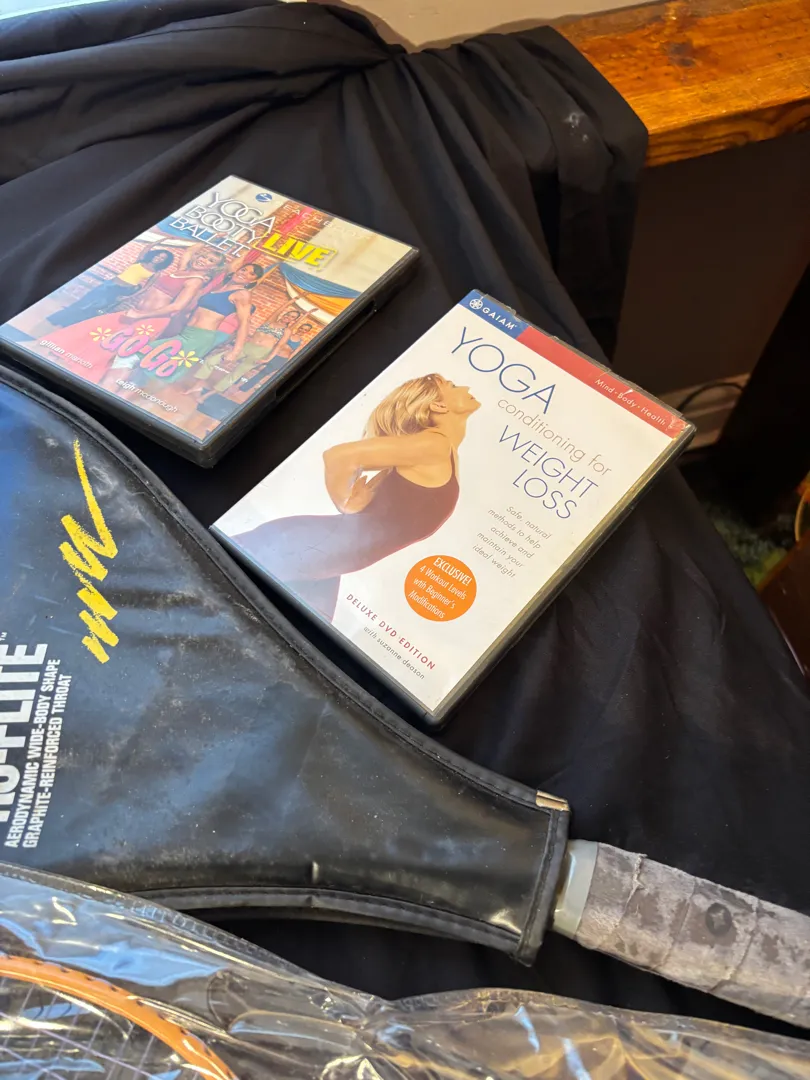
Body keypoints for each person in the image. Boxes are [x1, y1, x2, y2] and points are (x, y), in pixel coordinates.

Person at [231, 374, 479, 621]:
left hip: (327, 564)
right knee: (222, 587)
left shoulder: (439, 451)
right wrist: (345, 503)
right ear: (438, 405)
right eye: (454, 385)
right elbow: (339, 457)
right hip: (305, 548)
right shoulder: (434, 446)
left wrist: (354, 503)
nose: (466, 385)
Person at [40, 247, 224, 385]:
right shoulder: (183, 270)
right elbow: (190, 251)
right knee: (95, 333)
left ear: (214, 268)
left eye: (210, 261)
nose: (203, 260)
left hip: (150, 320)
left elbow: (177, 306)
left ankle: (83, 381)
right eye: (203, 256)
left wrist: (141, 314)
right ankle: (63, 368)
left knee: (111, 350)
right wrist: (215, 238)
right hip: (135, 313)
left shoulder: (195, 281)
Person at [48, 248, 175, 327]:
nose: (159, 258)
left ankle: (70, 325)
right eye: (158, 255)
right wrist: (164, 239)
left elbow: (145, 288)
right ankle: (57, 319)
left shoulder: (156, 273)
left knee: (95, 308)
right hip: (110, 284)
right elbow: (147, 248)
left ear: (164, 262)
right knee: (85, 301)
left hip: (123, 291)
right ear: (154, 254)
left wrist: (127, 297)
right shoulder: (140, 260)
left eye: (162, 258)